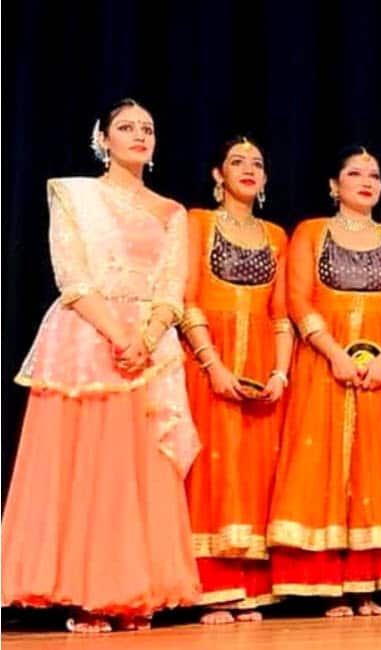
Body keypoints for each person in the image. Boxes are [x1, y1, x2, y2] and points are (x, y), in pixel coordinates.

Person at [1, 98, 200, 632]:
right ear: (103, 139)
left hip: (149, 350)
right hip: (88, 338)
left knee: (138, 472)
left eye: (148, 129)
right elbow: (73, 276)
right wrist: (119, 336)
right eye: (126, 128)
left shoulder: (172, 212)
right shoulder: (75, 195)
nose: (139, 135)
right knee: (92, 469)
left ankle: (132, 594)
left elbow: (171, 289)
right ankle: (89, 592)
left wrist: (149, 336)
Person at [266, 147, 381, 616]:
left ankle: (364, 584)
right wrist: (335, 354)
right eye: (354, 174)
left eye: (374, 175)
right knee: (322, 464)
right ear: (334, 186)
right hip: (323, 363)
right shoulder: (312, 232)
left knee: (374, 468)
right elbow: (298, 300)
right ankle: (323, 584)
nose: (365, 181)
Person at [182, 136, 292, 623]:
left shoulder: (276, 236)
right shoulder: (197, 223)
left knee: (256, 470)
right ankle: (209, 588)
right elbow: (187, 301)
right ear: (216, 175)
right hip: (208, 358)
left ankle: (251, 587)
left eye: (258, 163)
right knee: (212, 469)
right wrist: (213, 364)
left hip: (262, 361)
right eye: (236, 162)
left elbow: (282, 314)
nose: (249, 169)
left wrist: (281, 372)